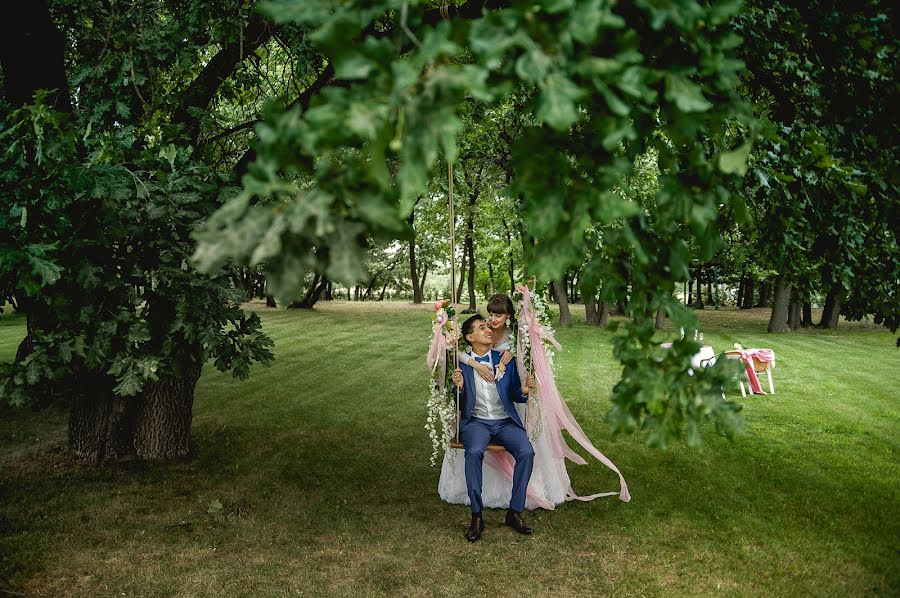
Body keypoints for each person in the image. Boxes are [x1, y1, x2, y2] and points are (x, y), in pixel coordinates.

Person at [450, 313, 536, 542]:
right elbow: (457, 401)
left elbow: (516, 394)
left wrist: (525, 390)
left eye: (487, 326)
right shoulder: (463, 364)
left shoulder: (504, 358)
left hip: (505, 421)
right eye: (481, 327)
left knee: (527, 452)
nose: (488, 329)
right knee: (474, 451)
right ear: (470, 337)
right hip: (476, 421)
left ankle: (515, 511)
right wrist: (458, 387)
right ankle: (477, 515)